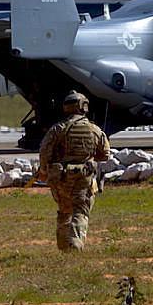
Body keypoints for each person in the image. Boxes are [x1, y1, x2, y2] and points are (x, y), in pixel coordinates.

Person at [37, 91, 110, 252]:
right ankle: (75, 244)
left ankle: (63, 247)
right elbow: (104, 154)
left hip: (60, 178)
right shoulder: (94, 129)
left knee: (64, 211)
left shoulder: (57, 129)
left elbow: (44, 152)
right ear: (84, 107)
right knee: (80, 210)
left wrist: (43, 171)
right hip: (84, 178)